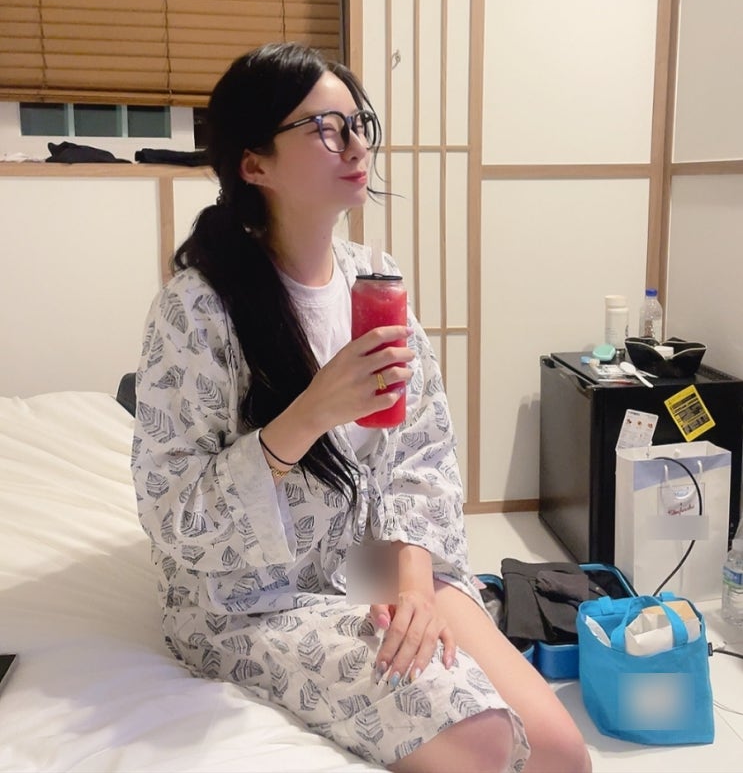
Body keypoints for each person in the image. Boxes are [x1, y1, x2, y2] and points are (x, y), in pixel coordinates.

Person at [131, 42, 591, 773]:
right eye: (323, 128)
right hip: (261, 597)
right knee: (486, 741)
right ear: (254, 165)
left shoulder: (374, 283)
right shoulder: (197, 309)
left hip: (381, 565)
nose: (355, 146)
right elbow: (174, 515)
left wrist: (415, 589)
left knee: (563, 754)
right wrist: (311, 412)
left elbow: (422, 457)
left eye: (358, 123)